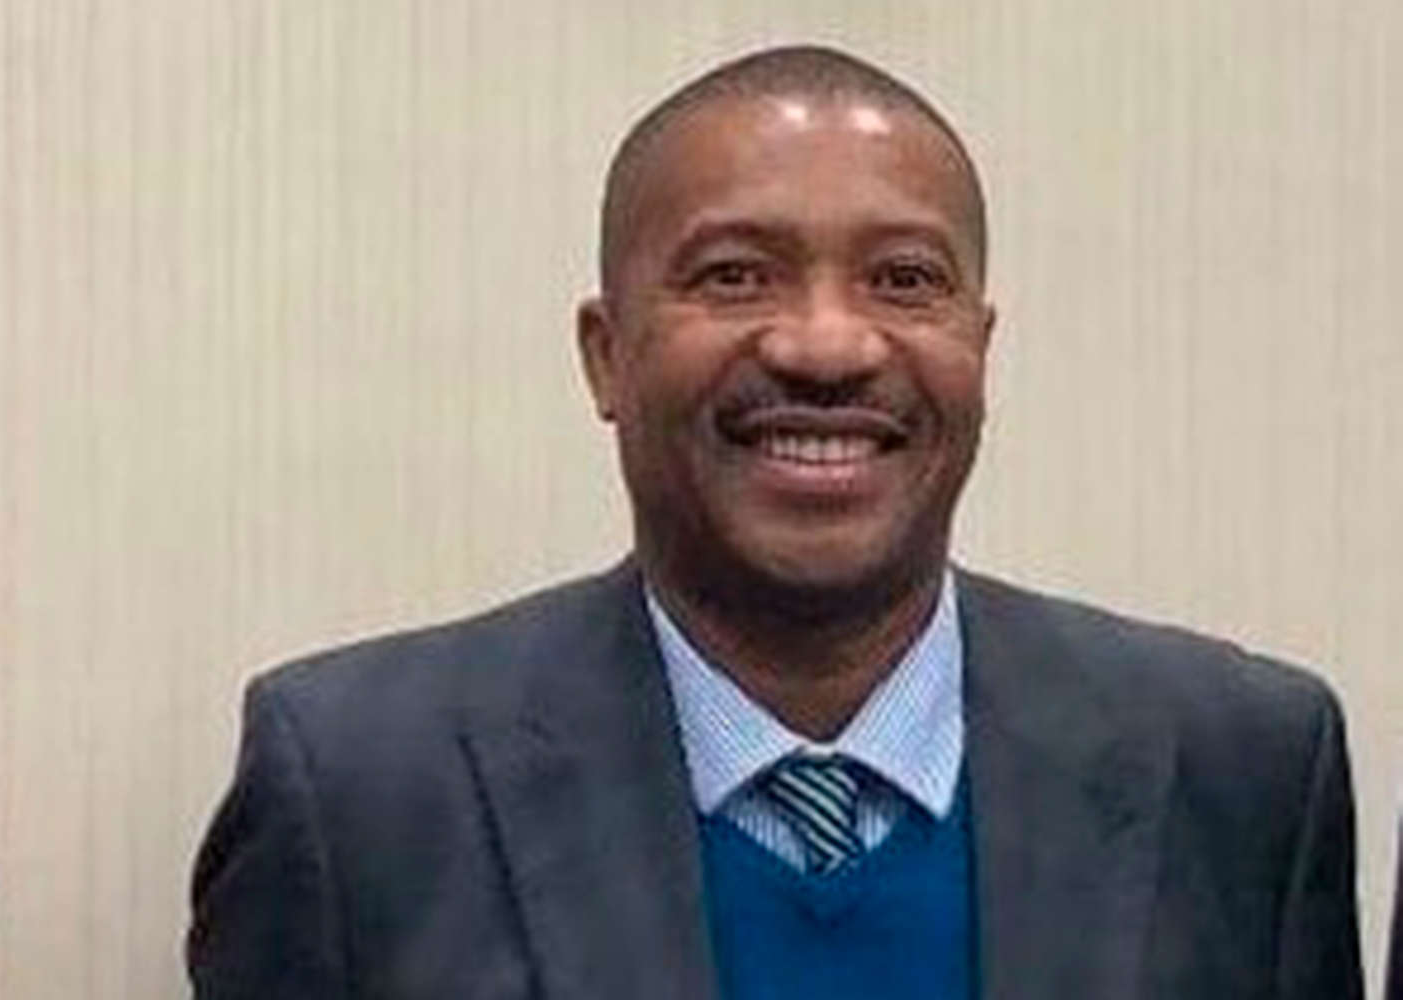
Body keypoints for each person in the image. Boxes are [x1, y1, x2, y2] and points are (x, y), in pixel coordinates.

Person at [185, 45, 1362, 999]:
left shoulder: (1241, 773)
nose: (826, 345)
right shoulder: (359, 790)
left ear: (980, 346)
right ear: (605, 355)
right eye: (735, 275)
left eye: (904, 279)